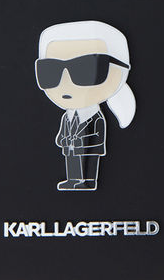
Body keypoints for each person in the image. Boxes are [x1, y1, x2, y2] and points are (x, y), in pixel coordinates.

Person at [35, 21, 136, 191]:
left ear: (119, 71)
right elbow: (61, 134)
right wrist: (63, 139)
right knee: (72, 164)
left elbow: (98, 134)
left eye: (85, 69)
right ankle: (73, 180)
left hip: (89, 149)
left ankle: (88, 181)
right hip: (71, 149)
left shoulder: (96, 117)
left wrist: (83, 141)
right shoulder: (67, 117)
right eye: (50, 71)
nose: (66, 82)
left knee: (89, 166)